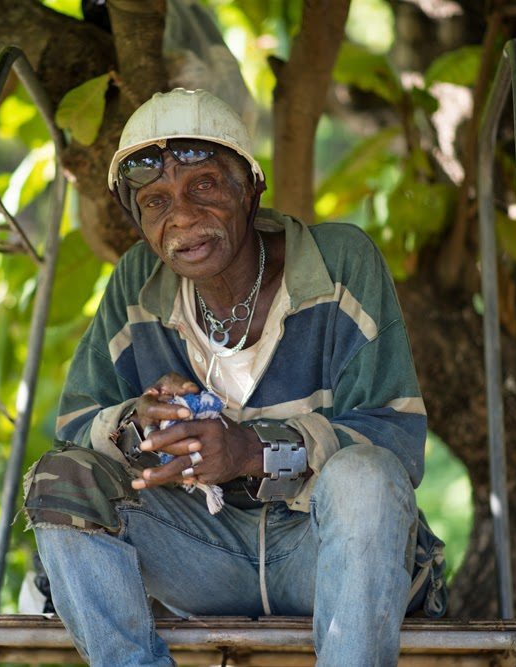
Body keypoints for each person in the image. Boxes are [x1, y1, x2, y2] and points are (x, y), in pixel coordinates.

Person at [23, 88, 427, 666]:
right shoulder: (137, 284)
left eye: (204, 187)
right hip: (199, 559)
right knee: (59, 478)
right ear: (137, 222)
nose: (182, 217)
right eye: (156, 202)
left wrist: (250, 451)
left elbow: (395, 438)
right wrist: (139, 424)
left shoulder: (338, 262)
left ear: (251, 188)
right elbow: (79, 423)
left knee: (366, 475)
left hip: (328, 558)